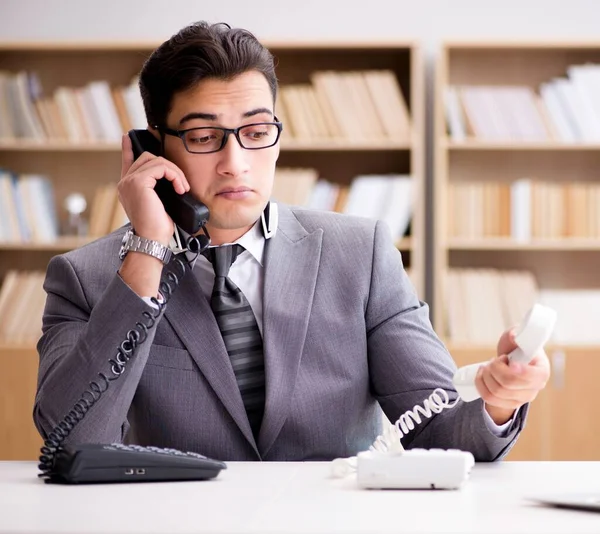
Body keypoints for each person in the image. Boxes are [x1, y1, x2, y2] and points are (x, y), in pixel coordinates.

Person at [33, 21, 550, 462]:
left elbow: (442, 431)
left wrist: (498, 399)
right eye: (203, 136)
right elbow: (70, 446)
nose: (235, 162)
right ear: (152, 147)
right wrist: (147, 251)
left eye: (256, 132)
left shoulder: (360, 254)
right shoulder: (88, 278)